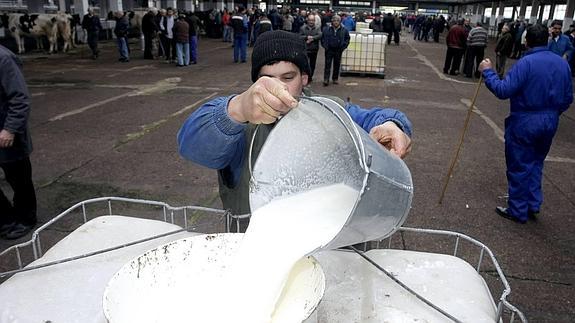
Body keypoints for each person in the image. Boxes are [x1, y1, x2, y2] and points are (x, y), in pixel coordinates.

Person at [177, 30, 412, 220]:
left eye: (288, 78)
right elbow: (192, 144)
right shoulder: (241, 124)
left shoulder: (329, 110)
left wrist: (391, 124)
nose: (278, 88)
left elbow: (371, 118)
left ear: (305, 78)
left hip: (323, 247)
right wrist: (237, 108)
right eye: (267, 79)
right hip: (256, 251)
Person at [478, 24, 573, 224]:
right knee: (536, 162)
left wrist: (488, 72)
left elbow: (504, 90)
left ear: (527, 41)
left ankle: (518, 210)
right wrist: (553, 113)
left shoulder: (526, 63)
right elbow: (567, 97)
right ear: (546, 40)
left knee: (519, 164)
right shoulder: (562, 64)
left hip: (526, 119)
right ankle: (532, 203)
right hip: (550, 119)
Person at [0, 44, 37, 240]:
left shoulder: (4, 59)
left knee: (19, 181)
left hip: (7, 135)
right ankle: (5, 219)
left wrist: (10, 129)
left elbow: (20, 98)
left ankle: (25, 219)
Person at [321, 15, 350, 86]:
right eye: (334, 21)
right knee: (327, 65)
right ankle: (326, 79)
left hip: (338, 50)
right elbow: (322, 38)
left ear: (340, 22)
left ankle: (335, 79)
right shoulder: (326, 29)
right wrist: (325, 46)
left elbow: (347, 39)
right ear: (332, 21)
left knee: (336, 65)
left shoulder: (344, 30)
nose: (336, 22)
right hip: (329, 50)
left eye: (338, 21)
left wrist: (343, 47)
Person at [300, 13, 322, 83]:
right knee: (305, 64)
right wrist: (307, 37)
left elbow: (320, 35)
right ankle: (305, 77)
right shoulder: (302, 28)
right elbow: (299, 36)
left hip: (314, 49)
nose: (311, 22)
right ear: (307, 20)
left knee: (312, 64)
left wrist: (312, 38)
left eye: (313, 20)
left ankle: (310, 77)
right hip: (305, 49)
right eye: (310, 20)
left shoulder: (317, 28)